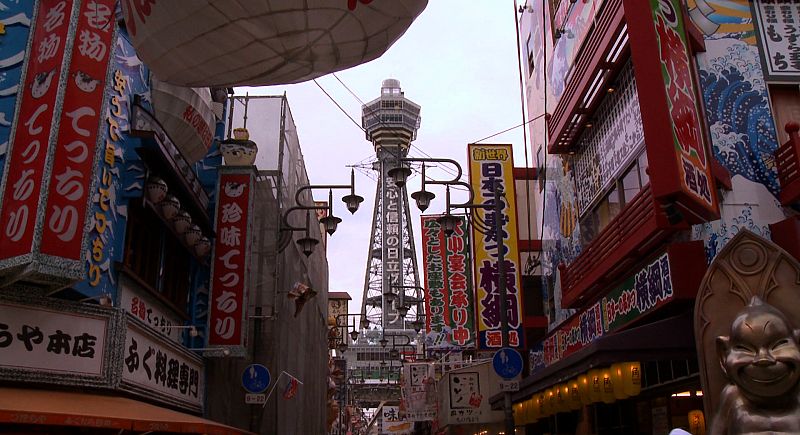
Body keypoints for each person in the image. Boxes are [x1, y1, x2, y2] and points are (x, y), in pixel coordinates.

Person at [711, 297, 800, 434]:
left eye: (778, 345)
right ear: (724, 355)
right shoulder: (732, 397)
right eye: (745, 349)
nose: (763, 359)